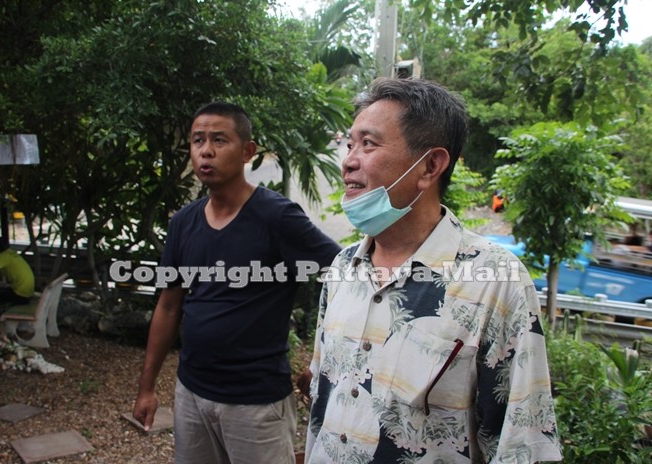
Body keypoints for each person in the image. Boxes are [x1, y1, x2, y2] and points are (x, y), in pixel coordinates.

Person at [301, 78, 562, 463]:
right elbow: (322, 410)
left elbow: (522, 443)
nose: (349, 161)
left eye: (368, 144)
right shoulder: (343, 268)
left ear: (430, 165)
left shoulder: (493, 279)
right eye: (350, 144)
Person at [132, 102, 340, 463]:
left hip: (255, 402)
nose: (206, 151)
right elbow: (168, 305)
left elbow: (343, 275)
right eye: (198, 141)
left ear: (248, 152)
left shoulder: (277, 217)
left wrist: (323, 361)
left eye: (218, 140)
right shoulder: (183, 223)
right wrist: (147, 387)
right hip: (192, 393)